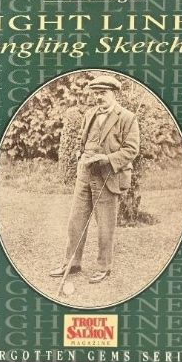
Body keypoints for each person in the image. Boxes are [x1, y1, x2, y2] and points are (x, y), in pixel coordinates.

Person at [49, 74, 140, 284]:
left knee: (105, 226)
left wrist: (107, 159)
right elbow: (83, 139)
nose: (99, 97)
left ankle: (103, 267)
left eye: (103, 93)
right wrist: (80, 153)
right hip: (85, 174)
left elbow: (131, 150)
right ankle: (72, 263)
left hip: (108, 176)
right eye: (96, 93)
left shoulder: (127, 118)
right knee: (75, 222)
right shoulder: (90, 113)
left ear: (114, 93)